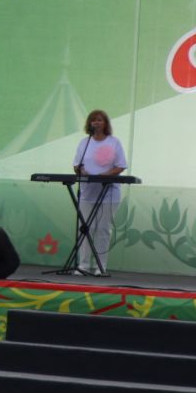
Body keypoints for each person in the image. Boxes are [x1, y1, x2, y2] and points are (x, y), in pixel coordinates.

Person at [72, 108, 128, 276]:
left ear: (105, 124)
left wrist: (104, 175)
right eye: (93, 120)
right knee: (84, 228)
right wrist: (83, 173)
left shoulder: (114, 142)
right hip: (87, 192)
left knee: (103, 229)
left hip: (108, 193)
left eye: (99, 120)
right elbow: (77, 165)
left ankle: (100, 266)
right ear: (89, 124)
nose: (96, 122)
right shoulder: (84, 142)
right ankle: (83, 265)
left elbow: (121, 165)